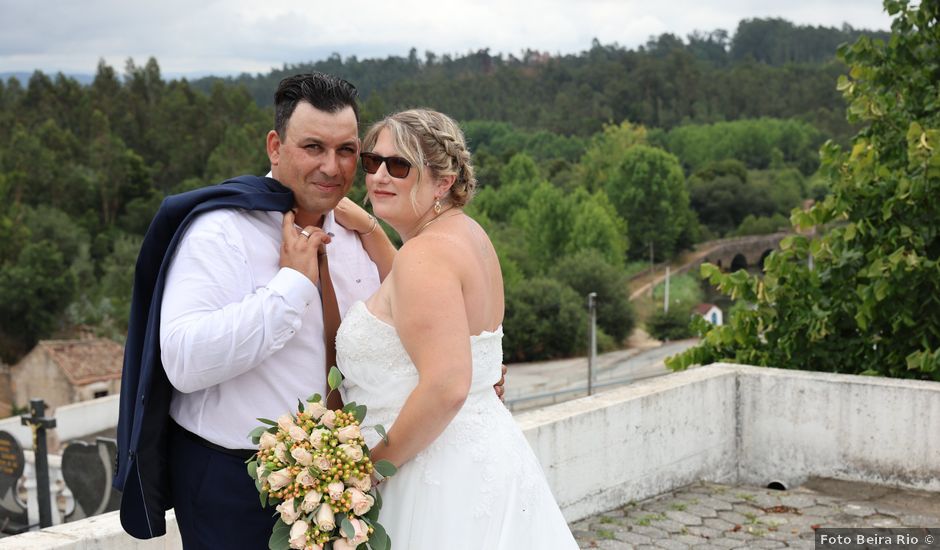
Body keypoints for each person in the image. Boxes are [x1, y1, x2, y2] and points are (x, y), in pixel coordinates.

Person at [114, 73, 397, 547]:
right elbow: (182, 362)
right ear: (275, 146)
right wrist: (290, 288)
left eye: (346, 150)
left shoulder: (356, 234)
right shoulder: (219, 231)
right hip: (233, 485)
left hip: (346, 483)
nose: (332, 167)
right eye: (313, 147)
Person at [337, 109, 578, 549]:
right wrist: (373, 231)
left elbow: (446, 387)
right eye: (372, 162)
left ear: (443, 181)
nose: (379, 177)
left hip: (432, 476)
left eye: (399, 166)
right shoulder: (467, 236)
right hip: (486, 456)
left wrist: (367, 472)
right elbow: (417, 306)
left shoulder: (424, 256)